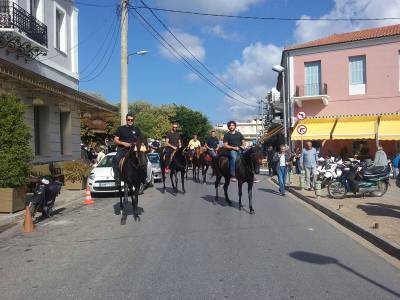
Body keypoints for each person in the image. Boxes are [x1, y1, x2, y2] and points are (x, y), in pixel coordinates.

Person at [112, 113, 143, 185]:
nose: (130, 121)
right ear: (126, 120)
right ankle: (117, 178)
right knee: (115, 159)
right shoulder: (121, 128)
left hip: (133, 150)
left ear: (134, 120)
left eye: (132, 120)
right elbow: (115, 140)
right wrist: (124, 143)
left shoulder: (136, 129)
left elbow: (140, 140)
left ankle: (143, 177)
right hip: (123, 150)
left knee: (143, 159)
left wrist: (136, 143)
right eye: (128, 119)